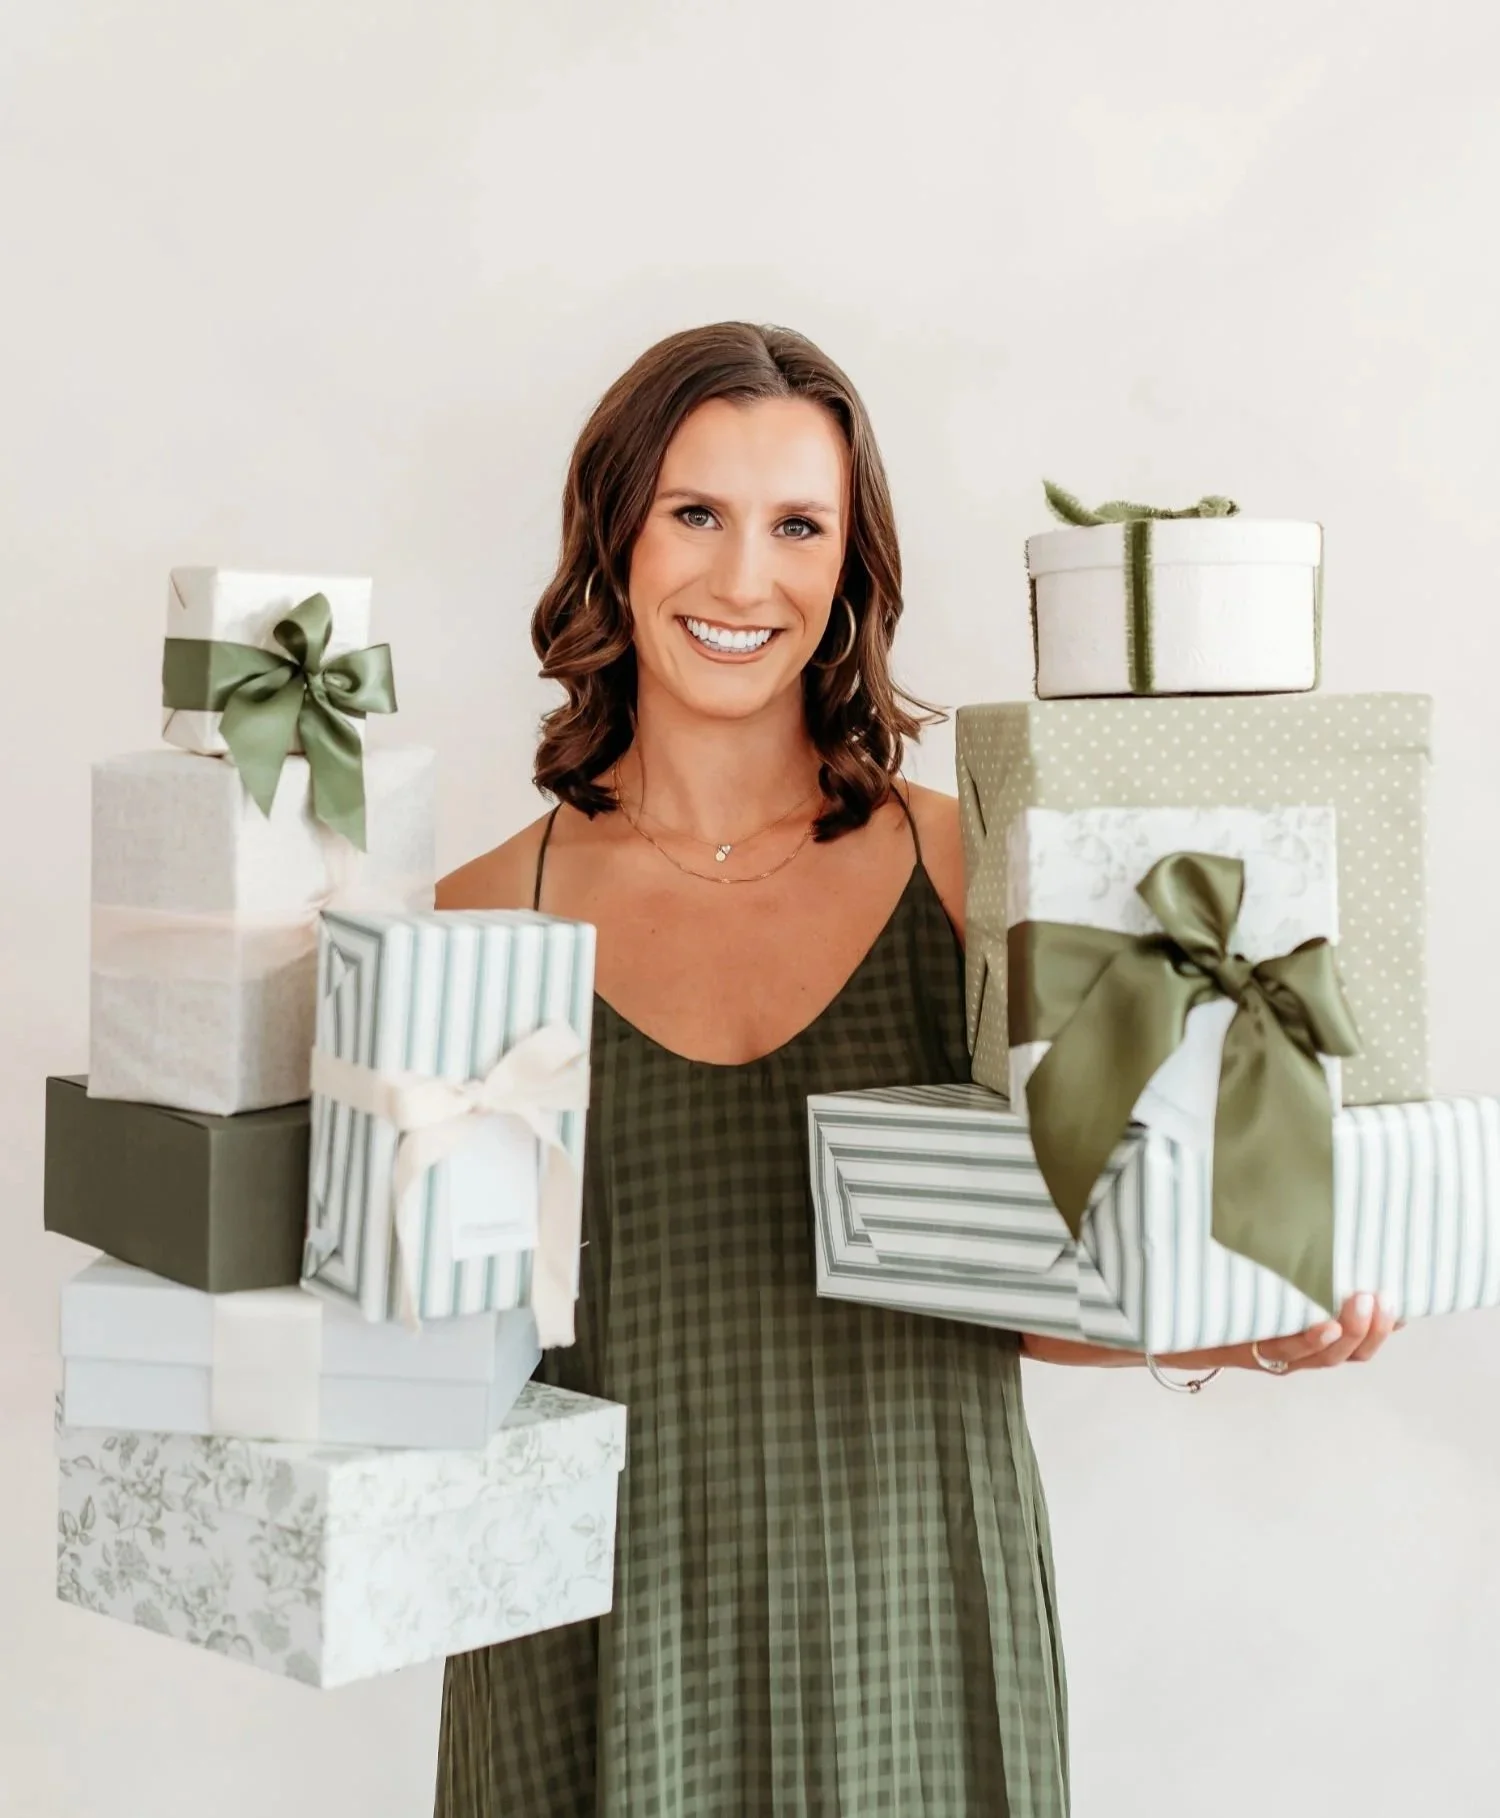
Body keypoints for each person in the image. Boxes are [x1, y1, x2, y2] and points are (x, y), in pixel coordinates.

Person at [432, 321, 1398, 1818]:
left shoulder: (977, 872)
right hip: (588, 1654)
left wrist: (1250, 1324)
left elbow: (1044, 1281)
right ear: (612, 537)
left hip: (915, 1628)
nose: (744, 578)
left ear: (852, 567)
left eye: (797, 526)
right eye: (696, 512)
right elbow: (428, 1350)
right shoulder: (477, 917)